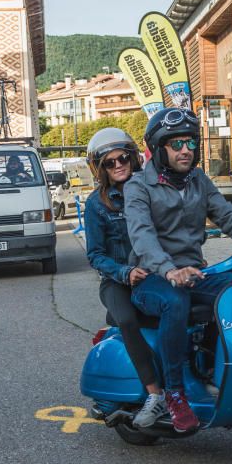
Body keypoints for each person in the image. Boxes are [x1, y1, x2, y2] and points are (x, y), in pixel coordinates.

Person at [124, 107, 232, 432]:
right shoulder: (139, 186)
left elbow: (230, 218)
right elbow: (141, 236)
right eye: (176, 144)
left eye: (190, 142)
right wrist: (168, 269)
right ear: (160, 148)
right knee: (175, 301)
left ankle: (221, 371)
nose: (186, 150)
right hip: (151, 279)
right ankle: (174, 393)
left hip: (193, 274)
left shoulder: (198, 181)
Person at [83, 128, 165, 428]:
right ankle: (155, 393)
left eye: (123, 158)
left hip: (155, 276)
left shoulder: (152, 192)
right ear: (100, 168)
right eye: (109, 162)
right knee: (128, 320)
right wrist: (124, 271)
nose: (118, 165)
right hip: (116, 281)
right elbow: (95, 254)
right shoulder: (97, 204)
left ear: (133, 158)